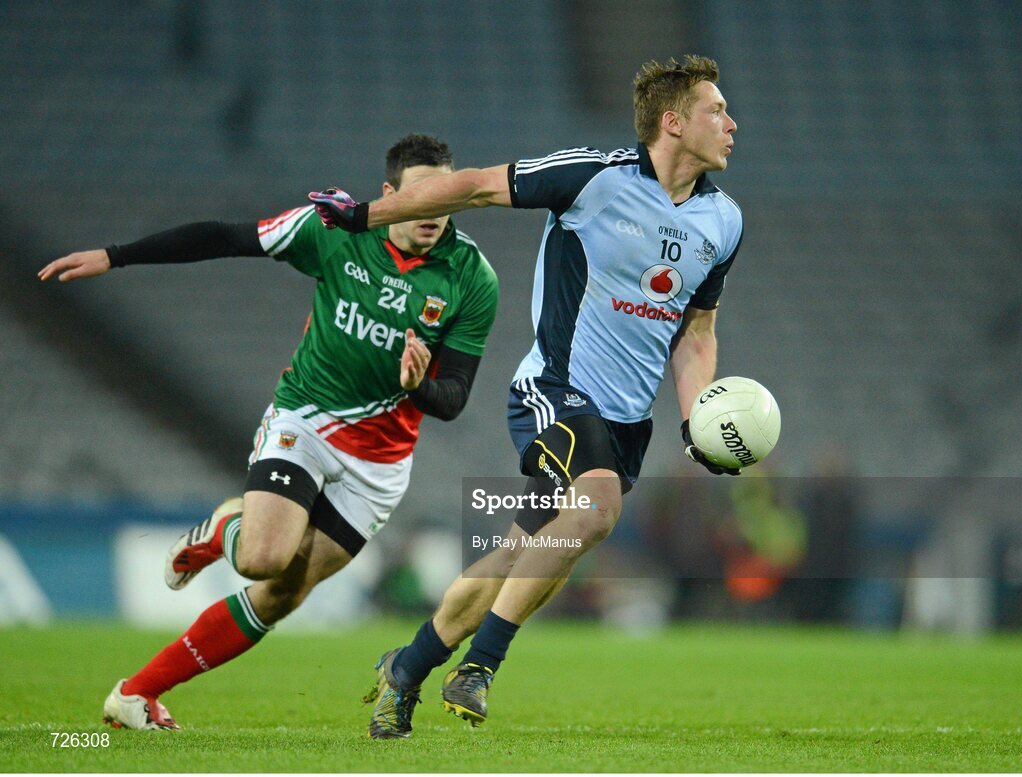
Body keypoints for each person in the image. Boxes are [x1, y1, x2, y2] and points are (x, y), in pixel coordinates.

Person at [309, 56, 743, 739]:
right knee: (594, 508)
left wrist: (696, 421)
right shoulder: (594, 177)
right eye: (717, 110)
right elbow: (476, 188)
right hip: (555, 390)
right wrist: (367, 215)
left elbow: (698, 331)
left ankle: (407, 666)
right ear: (673, 122)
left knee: (521, 553)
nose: (731, 123)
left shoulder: (724, 221)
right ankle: (480, 666)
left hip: (627, 421)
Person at [38, 134, 499, 733]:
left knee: (282, 595)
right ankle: (227, 527)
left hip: (379, 465)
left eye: (446, 197)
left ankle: (136, 695)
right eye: (419, 196)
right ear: (387, 196)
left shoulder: (472, 278)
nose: (434, 211)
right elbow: (226, 237)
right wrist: (116, 255)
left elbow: (454, 399)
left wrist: (416, 386)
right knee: (261, 559)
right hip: (305, 421)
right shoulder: (334, 231)